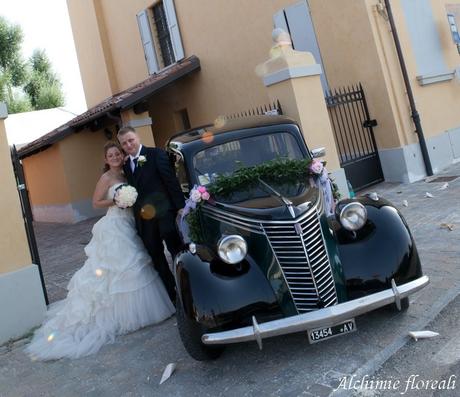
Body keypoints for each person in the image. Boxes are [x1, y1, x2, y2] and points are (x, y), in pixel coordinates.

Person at [25, 142, 174, 361]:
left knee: (138, 263)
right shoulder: (106, 178)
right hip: (116, 226)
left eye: (117, 153)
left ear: (121, 156)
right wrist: (115, 200)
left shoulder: (128, 172)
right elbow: (96, 202)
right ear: (105, 159)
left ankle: (137, 310)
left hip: (133, 223)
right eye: (110, 155)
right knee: (121, 267)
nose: (114, 157)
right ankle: (121, 316)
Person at [117, 126, 185, 304]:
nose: (129, 144)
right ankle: (173, 298)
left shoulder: (156, 154)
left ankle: (187, 292)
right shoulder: (125, 165)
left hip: (165, 215)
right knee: (157, 258)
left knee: (177, 252)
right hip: (144, 221)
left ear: (137, 137)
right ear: (122, 146)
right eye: (124, 143)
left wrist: (180, 207)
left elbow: (170, 181)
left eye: (131, 140)